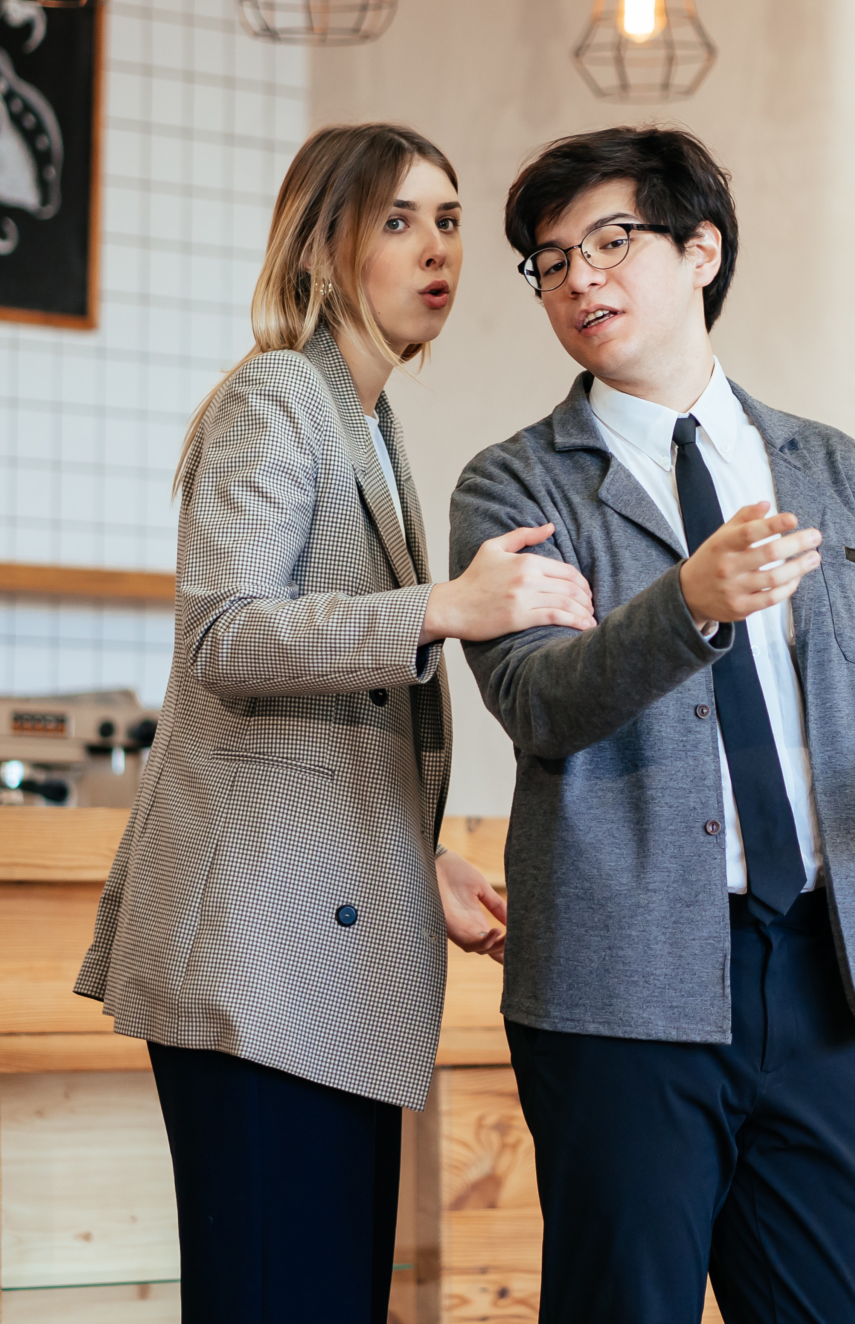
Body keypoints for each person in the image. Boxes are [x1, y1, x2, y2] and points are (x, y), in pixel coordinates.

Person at [448, 127, 855, 1324]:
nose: (578, 279)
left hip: (816, 967)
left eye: (610, 242)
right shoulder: (518, 484)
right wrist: (688, 607)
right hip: (619, 982)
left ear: (700, 251)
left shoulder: (830, 468)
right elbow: (539, 704)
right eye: (548, 262)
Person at [75, 123, 598, 1323]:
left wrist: (418, 859)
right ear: (323, 249)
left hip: (316, 961)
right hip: (258, 971)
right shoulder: (275, 398)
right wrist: (446, 605)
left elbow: (324, 728)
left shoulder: (366, 421)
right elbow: (228, 639)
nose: (437, 252)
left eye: (451, 222)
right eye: (400, 221)